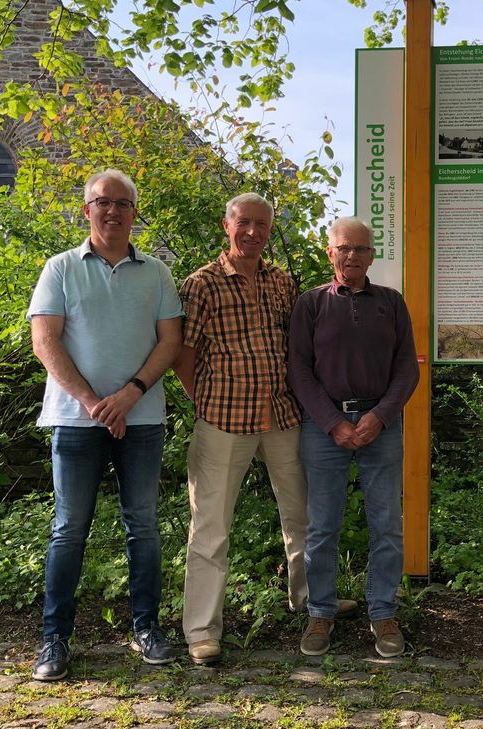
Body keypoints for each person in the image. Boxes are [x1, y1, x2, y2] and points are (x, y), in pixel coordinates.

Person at [174, 193, 356, 666]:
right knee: (210, 527)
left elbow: (298, 349)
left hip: (283, 417)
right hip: (223, 421)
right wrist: (206, 401)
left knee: (304, 517)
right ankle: (201, 630)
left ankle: (310, 601)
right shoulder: (202, 285)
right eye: (244, 223)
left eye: (262, 224)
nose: (253, 232)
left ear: (270, 230)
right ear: (226, 225)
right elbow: (183, 355)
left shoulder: (282, 283)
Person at [27, 169, 183, 681]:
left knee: (142, 525)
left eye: (122, 203)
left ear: (135, 213)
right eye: (102, 202)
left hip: (141, 421)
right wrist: (94, 402)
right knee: (69, 529)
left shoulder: (157, 272)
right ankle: (55, 641)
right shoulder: (61, 268)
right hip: (75, 420)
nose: (112, 211)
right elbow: (45, 341)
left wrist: (128, 395)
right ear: (86, 210)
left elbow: (170, 342)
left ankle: (147, 630)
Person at [288, 216, 419, 658]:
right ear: (330, 253)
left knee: (387, 526)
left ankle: (383, 612)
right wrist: (332, 422)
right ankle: (321, 613)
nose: (352, 256)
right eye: (344, 248)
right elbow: (299, 371)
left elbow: (407, 368)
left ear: (372, 256)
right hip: (325, 429)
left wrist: (380, 416)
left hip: (381, 426)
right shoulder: (311, 304)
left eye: (361, 249)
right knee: (322, 527)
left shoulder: (391, 302)